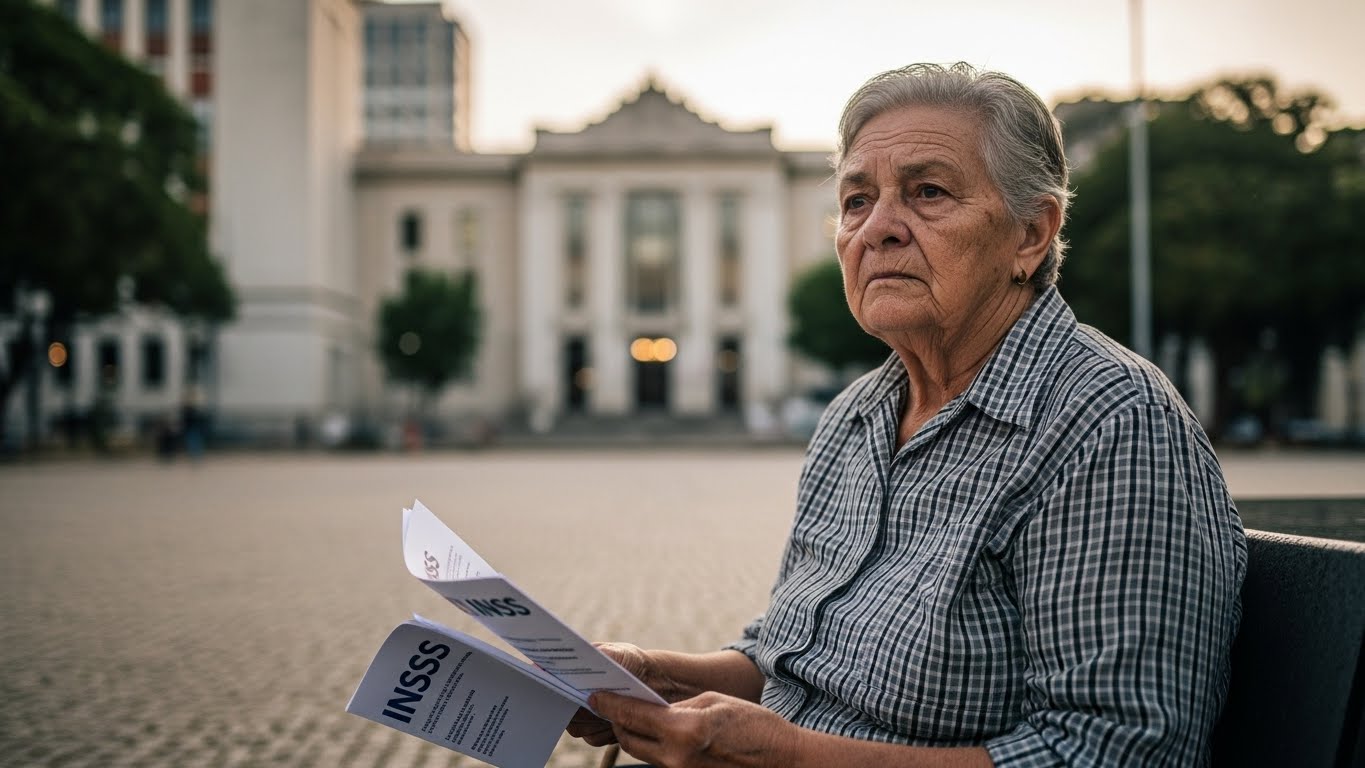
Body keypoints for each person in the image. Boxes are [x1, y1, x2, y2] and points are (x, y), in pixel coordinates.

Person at [568, 62, 1247, 767]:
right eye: (856, 200)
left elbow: (1117, 753)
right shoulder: (856, 415)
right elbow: (794, 657)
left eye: (927, 193)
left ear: (1030, 234)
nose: (877, 229)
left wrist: (790, 758)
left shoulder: (1109, 424)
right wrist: (657, 675)